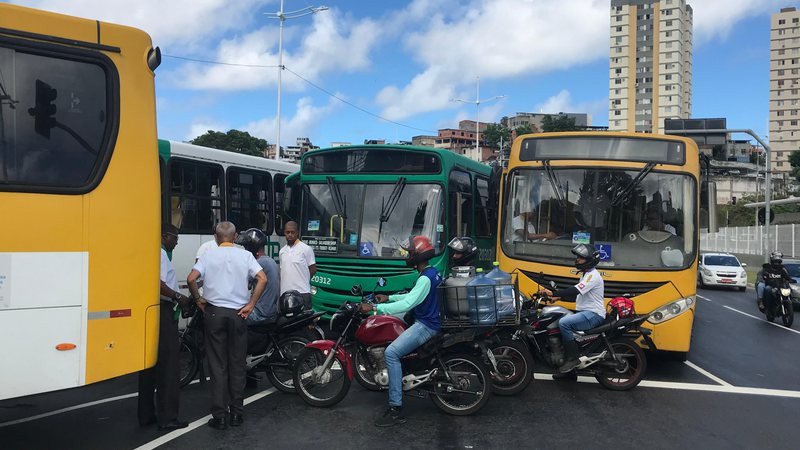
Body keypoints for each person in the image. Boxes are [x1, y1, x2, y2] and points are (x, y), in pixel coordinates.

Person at [187, 222, 267, 430]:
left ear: (215, 237)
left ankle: (220, 416)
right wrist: (251, 304)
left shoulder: (208, 255)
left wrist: (198, 299)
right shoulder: (246, 256)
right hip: (238, 314)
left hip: (214, 313)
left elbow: (191, 278)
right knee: (237, 364)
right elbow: (262, 278)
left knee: (217, 365)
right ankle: (237, 414)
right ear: (235, 236)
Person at [358, 236, 442, 427]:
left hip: (426, 325)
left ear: (417, 255)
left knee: (391, 353)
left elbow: (408, 303)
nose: (407, 255)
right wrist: (388, 297)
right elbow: (411, 297)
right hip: (429, 319)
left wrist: (373, 309)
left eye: (410, 253)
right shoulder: (431, 273)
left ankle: (396, 408)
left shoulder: (425, 279)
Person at [138, 224, 191, 430]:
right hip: (163, 310)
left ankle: (146, 415)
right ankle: (168, 417)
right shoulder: (159, 254)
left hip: (152, 310)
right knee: (169, 367)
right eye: (174, 237)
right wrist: (179, 296)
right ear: (163, 236)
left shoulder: (151, 253)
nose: (176, 242)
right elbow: (158, 283)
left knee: (148, 367)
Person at [540, 243, 605, 381]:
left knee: (564, 323)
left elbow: (575, 290)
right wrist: (557, 297)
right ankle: (569, 372)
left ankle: (573, 359)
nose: (577, 260)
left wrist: (553, 292)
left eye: (580, 258)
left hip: (594, 314)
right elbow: (577, 296)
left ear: (589, 260)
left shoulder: (592, 276)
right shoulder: (586, 275)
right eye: (577, 257)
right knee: (559, 319)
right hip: (586, 312)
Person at [235, 228, 281, 324]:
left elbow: (241, 282)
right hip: (270, 310)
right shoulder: (270, 261)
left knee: (232, 318)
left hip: (261, 313)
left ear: (251, 248)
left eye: (246, 247)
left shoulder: (260, 263)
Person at [279, 221, 317, 309]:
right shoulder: (282, 251)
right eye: (287, 232)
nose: (290, 235)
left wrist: (302, 279)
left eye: (292, 232)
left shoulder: (306, 249)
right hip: (285, 294)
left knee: (304, 321)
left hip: (302, 293)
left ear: (297, 233)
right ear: (284, 233)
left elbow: (313, 270)